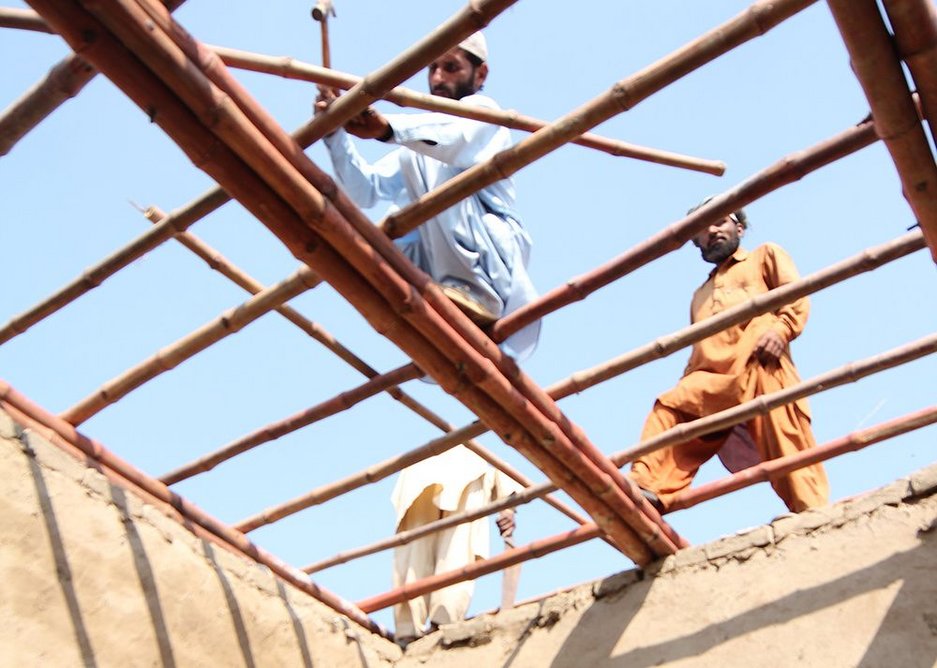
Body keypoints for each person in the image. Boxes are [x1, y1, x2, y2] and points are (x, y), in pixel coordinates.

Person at [314, 31, 540, 360]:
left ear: (481, 74)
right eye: (433, 68)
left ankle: (477, 294)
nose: (437, 78)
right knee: (384, 235)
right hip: (444, 274)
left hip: (489, 264)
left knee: (429, 164)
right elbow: (365, 190)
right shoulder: (419, 145)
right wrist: (333, 131)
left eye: (450, 67)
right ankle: (423, 310)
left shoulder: (484, 115)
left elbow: (451, 138)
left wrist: (386, 128)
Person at [629, 199, 829, 513]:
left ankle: (812, 511)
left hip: (759, 362)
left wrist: (782, 328)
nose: (711, 231)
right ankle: (646, 489)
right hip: (712, 378)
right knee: (671, 405)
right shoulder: (700, 295)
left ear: (739, 226)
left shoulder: (765, 256)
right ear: (696, 244)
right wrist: (688, 380)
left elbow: (795, 294)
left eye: (720, 221)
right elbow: (698, 348)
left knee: (786, 438)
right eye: (701, 230)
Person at [390, 445, 521, 643]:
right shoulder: (471, 458)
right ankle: (431, 624)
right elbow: (507, 482)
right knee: (441, 554)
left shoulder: (475, 459)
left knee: (445, 553)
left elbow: (506, 482)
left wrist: (508, 509)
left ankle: (424, 626)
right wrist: (508, 509)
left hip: (459, 478)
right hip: (423, 481)